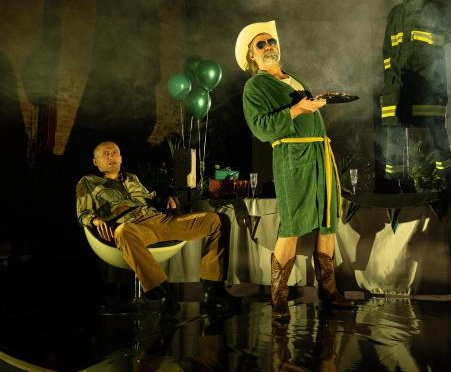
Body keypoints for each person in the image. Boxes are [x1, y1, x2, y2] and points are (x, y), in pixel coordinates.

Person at [236, 20, 353, 320]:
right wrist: (299, 109)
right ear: (251, 55)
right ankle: (279, 298)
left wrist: (313, 105)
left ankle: (329, 291)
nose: (268, 46)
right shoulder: (255, 87)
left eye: (271, 42)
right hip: (292, 157)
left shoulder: (292, 78)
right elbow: (261, 128)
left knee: (327, 221)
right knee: (291, 224)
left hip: (319, 154)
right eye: (261, 44)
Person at [76, 141, 240, 314]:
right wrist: (96, 221)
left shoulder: (131, 178)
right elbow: (83, 213)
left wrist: (165, 200)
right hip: (133, 228)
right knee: (123, 231)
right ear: (95, 162)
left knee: (217, 220)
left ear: (121, 158)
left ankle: (212, 291)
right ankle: (163, 295)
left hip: (160, 221)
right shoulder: (88, 182)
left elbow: (149, 198)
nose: (111, 157)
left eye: (115, 153)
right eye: (106, 154)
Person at [380, 0, 451, 191]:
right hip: (398, 85)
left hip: (429, 84)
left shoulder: (437, 9)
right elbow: (387, 52)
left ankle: (447, 181)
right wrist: (389, 85)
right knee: (393, 131)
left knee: (436, 129)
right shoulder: (395, 14)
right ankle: (396, 185)